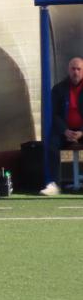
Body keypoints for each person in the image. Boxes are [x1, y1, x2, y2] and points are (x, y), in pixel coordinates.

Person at [42, 56, 83, 196]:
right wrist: (65, 130)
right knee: (52, 143)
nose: (75, 72)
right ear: (68, 70)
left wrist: (81, 132)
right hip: (65, 131)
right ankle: (53, 183)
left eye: (79, 69)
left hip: (82, 131)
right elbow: (54, 114)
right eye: (73, 69)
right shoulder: (59, 89)